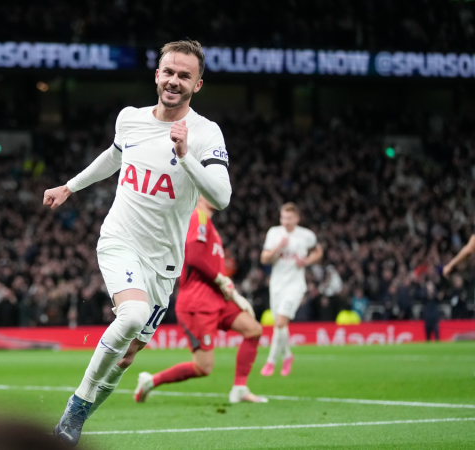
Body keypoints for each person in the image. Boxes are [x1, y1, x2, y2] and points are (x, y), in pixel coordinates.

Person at [43, 39, 231, 446]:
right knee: (130, 318)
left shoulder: (203, 133)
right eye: (169, 72)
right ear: (157, 74)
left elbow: (221, 196)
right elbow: (114, 156)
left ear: (198, 84)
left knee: (127, 356)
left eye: (185, 75)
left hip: (164, 262)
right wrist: (70, 186)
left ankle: (74, 421)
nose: (174, 81)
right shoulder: (129, 118)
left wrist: (185, 156)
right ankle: (74, 412)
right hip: (119, 238)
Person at [133, 196, 266, 404]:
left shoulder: (208, 223)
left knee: (253, 329)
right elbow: (194, 256)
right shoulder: (198, 216)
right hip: (198, 302)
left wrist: (231, 292)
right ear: (199, 195)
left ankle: (240, 388)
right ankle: (150, 381)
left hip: (217, 298)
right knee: (203, 367)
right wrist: (221, 279)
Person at [260, 203, 322, 377]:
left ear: (297, 218)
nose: (285, 221)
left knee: (280, 323)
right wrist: (279, 247)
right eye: (283, 217)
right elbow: (264, 258)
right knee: (280, 326)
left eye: (289, 218)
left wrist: (308, 261)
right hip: (277, 285)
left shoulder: (306, 235)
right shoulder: (274, 233)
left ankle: (270, 362)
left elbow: (318, 251)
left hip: (295, 286)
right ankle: (287, 356)